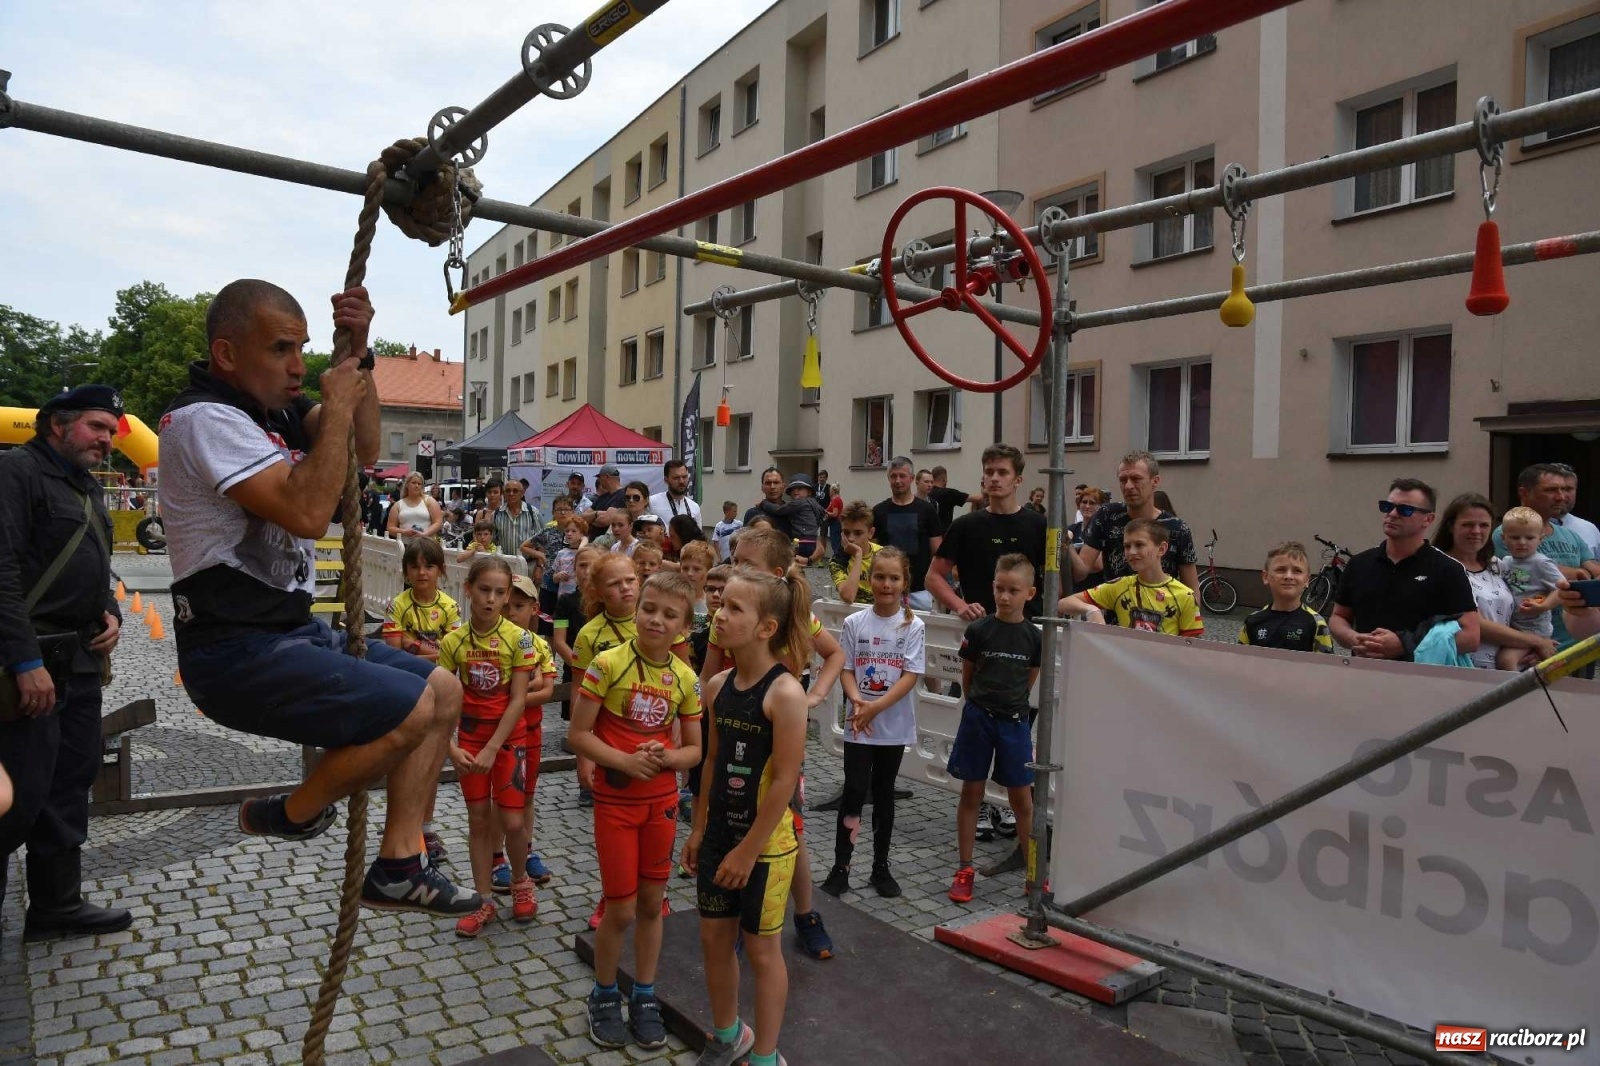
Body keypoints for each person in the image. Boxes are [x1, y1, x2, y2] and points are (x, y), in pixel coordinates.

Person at [160, 279, 478, 917]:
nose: (298, 366)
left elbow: (362, 444)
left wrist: (359, 359)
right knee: (411, 709)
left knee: (444, 689)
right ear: (227, 354)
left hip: (289, 632)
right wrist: (333, 403)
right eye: (281, 349)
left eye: (303, 348)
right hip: (234, 648)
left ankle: (399, 862)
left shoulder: (274, 411)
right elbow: (308, 511)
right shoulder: (204, 420)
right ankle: (294, 812)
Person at [0, 384, 132, 940]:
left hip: (77, 661)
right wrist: (24, 659)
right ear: (58, 424)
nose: (107, 440)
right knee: (16, 793)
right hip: (26, 665)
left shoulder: (83, 485)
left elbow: (93, 562)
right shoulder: (16, 472)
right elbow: (2, 570)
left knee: (69, 782)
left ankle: (56, 905)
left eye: (111, 431)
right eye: (97, 427)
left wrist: (108, 611)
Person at [682, 567, 810, 1066]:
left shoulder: (786, 694)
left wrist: (748, 849)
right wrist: (697, 830)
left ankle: (766, 1057)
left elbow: (784, 782)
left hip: (766, 849)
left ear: (766, 627)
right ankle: (726, 1035)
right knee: (714, 941)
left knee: (761, 952)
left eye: (735, 607)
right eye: (720, 603)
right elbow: (711, 763)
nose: (719, 613)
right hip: (718, 838)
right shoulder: (715, 686)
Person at [570, 572, 703, 1052]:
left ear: (683, 627)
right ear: (639, 608)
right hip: (617, 804)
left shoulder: (686, 678)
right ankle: (605, 993)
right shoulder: (607, 664)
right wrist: (624, 761)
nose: (655, 620)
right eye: (650, 609)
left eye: (670, 615)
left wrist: (668, 758)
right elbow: (578, 735)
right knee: (620, 908)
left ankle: (644, 994)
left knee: (652, 906)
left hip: (662, 805)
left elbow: (693, 752)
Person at [699, 527, 844, 961]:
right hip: (732, 734)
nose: (733, 568)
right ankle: (743, 909)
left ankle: (805, 914)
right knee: (730, 820)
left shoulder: (797, 619)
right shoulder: (725, 619)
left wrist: (814, 695)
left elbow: (835, 655)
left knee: (788, 832)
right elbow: (708, 675)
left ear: (776, 574)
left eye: (745, 563)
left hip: (775, 746)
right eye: (733, 559)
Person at [438, 558, 539, 936]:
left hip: (508, 741)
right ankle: (483, 899)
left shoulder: (520, 638)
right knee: (478, 820)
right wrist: (451, 748)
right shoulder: (453, 641)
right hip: (469, 740)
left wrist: (493, 748)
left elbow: (518, 700)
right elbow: (445, 702)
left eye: (500, 593)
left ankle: (519, 882)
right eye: (484, 590)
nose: (491, 599)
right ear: (468, 590)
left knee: (512, 821)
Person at [822, 547, 924, 900]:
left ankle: (880, 867)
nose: (886, 584)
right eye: (879, 576)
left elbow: (910, 675)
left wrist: (875, 707)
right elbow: (846, 669)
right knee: (853, 791)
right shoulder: (855, 623)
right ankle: (841, 867)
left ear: (904, 582)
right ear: (869, 578)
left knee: (884, 794)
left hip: (890, 725)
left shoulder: (914, 624)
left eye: (894, 578)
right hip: (859, 723)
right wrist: (858, 702)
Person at [946, 554, 1042, 902]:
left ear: (1029, 593)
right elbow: (968, 679)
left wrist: (1007, 709)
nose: (1004, 597)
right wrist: (979, 708)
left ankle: (1034, 876)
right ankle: (965, 867)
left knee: (1022, 799)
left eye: (1013, 590)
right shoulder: (979, 630)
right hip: (978, 719)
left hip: (1014, 723)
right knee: (971, 793)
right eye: (999, 589)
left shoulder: (1034, 637)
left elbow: (1029, 680)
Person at [1327, 477, 1480, 661]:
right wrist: (1354, 638)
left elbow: (1471, 637)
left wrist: (1404, 645)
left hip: (1422, 680)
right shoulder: (1359, 564)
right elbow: (1338, 617)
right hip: (1364, 674)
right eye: (1387, 506)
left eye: (1405, 510)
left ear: (1428, 519)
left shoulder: (1447, 569)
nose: (1392, 513)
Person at [1434, 494, 1555, 670]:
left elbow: (1514, 611)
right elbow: (1474, 623)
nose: (1476, 531)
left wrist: (1527, 648)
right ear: (1451, 526)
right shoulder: (1440, 567)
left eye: (1484, 525)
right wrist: (1536, 641)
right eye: (1467, 524)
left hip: (1505, 666)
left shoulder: (1497, 565)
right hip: (1462, 668)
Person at [927, 444, 1047, 620]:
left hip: (1028, 628)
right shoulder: (965, 526)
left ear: (1018, 480)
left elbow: (1055, 581)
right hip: (979, 627)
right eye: (989, 472)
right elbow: (933, 577)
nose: (994, 478)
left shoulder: (1038, 524)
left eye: (1003, 472)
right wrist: (960, 605)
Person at [1493, 464, 1600, 650]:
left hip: (1579, 641)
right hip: (1532, 642)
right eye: (1551, 490)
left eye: (1564, 489)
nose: (1561, 497)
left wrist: (1584, 576)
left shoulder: (1571, 535)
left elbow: (1595, 572)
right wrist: (1581, 575)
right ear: (1525, 493)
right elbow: (1528, 571)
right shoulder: (1507, 533)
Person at [1071, 452, 1198, 592]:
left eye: (1136, 479)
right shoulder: (1107, 515)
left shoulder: (1177, 528)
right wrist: (1065, 543)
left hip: (1162, 610)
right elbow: (1080, 572)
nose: (1128, 486)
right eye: (1123, 480)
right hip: (1116, 611)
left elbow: (1191, 591)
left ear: (1155, 481)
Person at [1061, 520, 1204, 637]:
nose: (1132, 552)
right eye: (1127, 546)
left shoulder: (1185, 596)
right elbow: (1063, 604)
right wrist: (1091, 609)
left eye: (1139, 545)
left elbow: (1191, 651)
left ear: (1161, 549)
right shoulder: (1121, 586)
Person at [1234, 542, 1334, 654]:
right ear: (1266, 577)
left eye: (1297, 571)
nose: (1288, 576)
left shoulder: (1317, 624)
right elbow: (1241, 663)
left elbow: (1326, 668)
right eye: (1281, 570)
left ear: (1307, 580)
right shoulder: (1252, 622)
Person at [873, 457, 944, 612]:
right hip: (888, 590)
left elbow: (938, 551)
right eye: (893, 476)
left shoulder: (927, 510)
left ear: (911, 478)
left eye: (902, 476)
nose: (898, 480)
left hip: (921, 591)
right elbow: (873, 551)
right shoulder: (879, 511)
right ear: (888, 478)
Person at [1496, 507, 1567, 658]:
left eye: (1529, 538)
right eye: (1515, 537)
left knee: (1506, 660)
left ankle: (1517, 683)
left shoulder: (1541, 562)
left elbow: (1562, 588)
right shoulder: (1506, 562)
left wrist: (1544, 606)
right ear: (1503, 538)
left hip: (1535, 630)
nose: (1522, 542)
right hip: (1513, 628)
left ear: (1540, 538)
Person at [828, 501, 881, 606]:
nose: (851, 539)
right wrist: (858, 555)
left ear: (871, 533)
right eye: (846, 533)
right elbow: (848, 597)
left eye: (858, 533)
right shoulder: (837, 561)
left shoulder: (882, 554)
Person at [1548, 463, 1600, 561]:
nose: (1561, 496)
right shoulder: (1515, 527)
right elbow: (1517, 573)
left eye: (1567, 489)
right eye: (1552, 490)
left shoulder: (1589, 529)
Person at [493, 479, 542, 573]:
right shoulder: (496, 514)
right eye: (508, 491)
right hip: (505, 567)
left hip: (529, 566)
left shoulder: (533, 512)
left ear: (522, 493)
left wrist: (539, 567)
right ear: (503, 493)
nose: (511, 493)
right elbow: (493, 542)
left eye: (515, 491)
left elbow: (542, 542)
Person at [387, 471, 443, 541]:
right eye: (413, 483)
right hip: (405, 546)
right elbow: (390, 528)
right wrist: (404, 532)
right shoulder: (398, 505)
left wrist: (425, 534)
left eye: (419, 484)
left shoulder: (430, 501)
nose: (416, 486)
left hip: (426, 544)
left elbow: (438, 522)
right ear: (407, 484)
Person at [744, 468, 794, 539]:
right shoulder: (752, 514)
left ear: (783, 486)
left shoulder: (791, 513)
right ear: (762, 487)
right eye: (768, 483)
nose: (772, 487)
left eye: (776, 482)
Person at [927, 465, 981, 530]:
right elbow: (977, 498)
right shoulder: (949, 493)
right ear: (944, 479)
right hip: (943, 534)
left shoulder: (926, 493)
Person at [649, 459, 702, 525]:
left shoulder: (694, 507)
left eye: (684, 477)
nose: (681, 481)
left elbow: (698, 534)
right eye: (676, 478)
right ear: (666, 480)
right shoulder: (652, 502)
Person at [585, 465, 627, 534]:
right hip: (594, 542)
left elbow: (604, 521)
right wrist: (596, 514)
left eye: (599, 477)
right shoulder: (602, 497)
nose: (599, 480)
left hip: (608, 543)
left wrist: (590, 519)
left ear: (606, 477)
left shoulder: (622, 495)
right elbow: (582, 517)